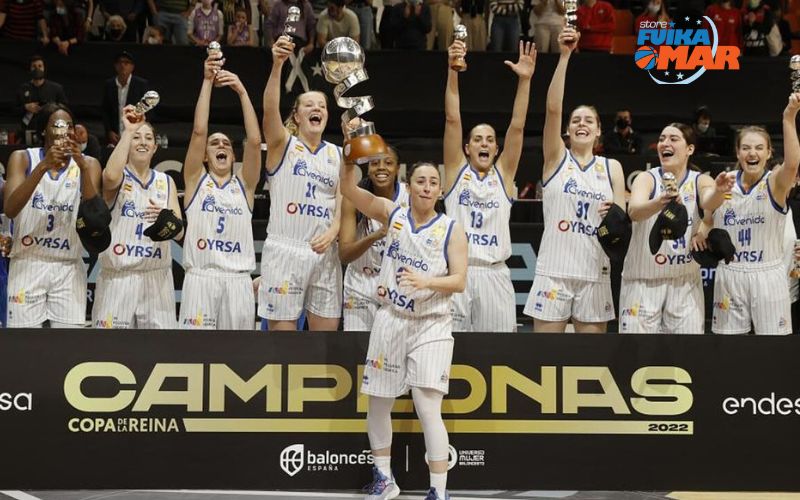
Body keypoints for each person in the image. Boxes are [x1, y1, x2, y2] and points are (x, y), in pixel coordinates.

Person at [340, 159, 467, 500]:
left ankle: (438, 492)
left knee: (428, 408)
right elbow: (349, 190)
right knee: (378, 403)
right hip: (391, 319)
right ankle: (384, 478)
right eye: (420, 181)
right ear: (409, 187)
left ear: (440, 191)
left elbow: (459, 280)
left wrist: (427, 281)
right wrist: (349, 160)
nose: (427, 187)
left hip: (432, 324)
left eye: (433, 182)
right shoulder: (392, 214)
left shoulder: (452, 228)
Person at [521, 28, 625, 333]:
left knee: (590, 363)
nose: (581, 124)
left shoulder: (612, 168)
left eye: (588, 120)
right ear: (567, 130)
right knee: (546, 360)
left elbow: (619, 226)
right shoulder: (556, 157)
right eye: (575, 120)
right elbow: (553, 109)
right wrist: (565, 55)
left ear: (598, 131)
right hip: (554, 270)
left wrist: (616, 216)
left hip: (594, 271)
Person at [443, 40, 535, 332]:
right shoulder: (456, 172)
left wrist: (525, 81)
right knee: (450, 353)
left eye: (490, 139)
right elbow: (452, 118)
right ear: (467, 147)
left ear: (497, 149)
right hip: (458, 273)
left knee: (498, 353)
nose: (484, 143)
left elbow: (517, 126)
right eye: (477, 139)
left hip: (495, 274)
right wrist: (453, 69)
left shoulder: (504, 175)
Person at [259, 34, 342, 331]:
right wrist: (278, 65)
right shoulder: (284, 145)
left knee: (325, 341)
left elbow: (345, 199)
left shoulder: (338, 154)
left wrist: (335, 229)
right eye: (308, 105)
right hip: (286, 249)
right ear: (296, 114)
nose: (316, 108)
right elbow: (269, 111)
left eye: (321, 105)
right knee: (284, 344)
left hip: (324, 254)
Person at [620, 123, 735, 334]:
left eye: (673, 139)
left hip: (685, 283)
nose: (665, 143)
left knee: (686, 356)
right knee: (636, 356)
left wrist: (718, 191)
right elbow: (634, 211)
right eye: (662, 138)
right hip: (643, 281)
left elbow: (709, 203)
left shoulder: (701, 180)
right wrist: (661, 202)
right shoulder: (646, 178)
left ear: (689, 149)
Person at [3, 104, 102, 327]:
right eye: (57, 125)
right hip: (28, 262)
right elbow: (10, 209)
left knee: (69, 348)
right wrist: (43, 166)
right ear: (44, 131)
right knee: (25, 345)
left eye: (69, 126)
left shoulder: (89, 164)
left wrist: (83, 168)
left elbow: (95, 214)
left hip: (68, 265)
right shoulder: (23, 158)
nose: (64, 131)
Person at [179, 56, 260, 330]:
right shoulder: (195, 180)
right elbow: (199, 131)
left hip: (238, 281)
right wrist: (207, 81)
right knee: (194, 355)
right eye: (215, 144)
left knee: (238, 358)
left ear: (232, 154)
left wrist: (242, 92)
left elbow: (255, 142)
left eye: (226, 143)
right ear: (205, 155)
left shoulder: (245, 185)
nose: (221, 145)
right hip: (201, 277)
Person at [709, 94, 800, 334]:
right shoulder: (723, 182)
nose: (752, 153)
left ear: (769, 153)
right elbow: (707, 212)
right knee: (728, 350)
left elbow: (791, 165)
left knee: (774, 350)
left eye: (759, 148)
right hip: (731, 274)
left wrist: (788, 118)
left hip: (768, 274)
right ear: (737, 153)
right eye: (746, 147)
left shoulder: (775, 184)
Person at [92, 106, 183, 329]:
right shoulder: (119, 177)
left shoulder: (166, 181)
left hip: (156, 278)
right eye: (136, 138)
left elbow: (180, 232)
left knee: (159, 354)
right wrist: (128, 130)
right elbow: (109, 176)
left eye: (148, 138)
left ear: (154, 147)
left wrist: (165, 220)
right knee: (111, 353)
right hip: (118, 277)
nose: (142, 142)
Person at [339, 146, 408, 331]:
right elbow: (344, 255)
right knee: (357, 350)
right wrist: (375, 236)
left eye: (388, 162)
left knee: (390, 354)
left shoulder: (409, 196)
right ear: (367, 168)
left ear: (398, 168)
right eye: (375, 163)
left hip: (396, 285)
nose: (381, 168)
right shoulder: (354, 198)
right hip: (361, 283)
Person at [102, 51, 149, 146]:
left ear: (132, 67)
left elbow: (147, 110)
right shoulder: (109, 85)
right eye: (120, 62)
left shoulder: (141, 85)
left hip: (135, 134)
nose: (123, 65)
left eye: (126, 62)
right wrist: (109, 131)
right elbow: (105, 110)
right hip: (114, 135)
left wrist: (138, 131)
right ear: (115, 66)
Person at [16, 55, 68, 141]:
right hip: (28, 129)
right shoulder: (22, 89)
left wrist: (50, 108)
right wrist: (26, 107)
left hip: (51, 129)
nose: (37, 69)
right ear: (30, 69)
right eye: (34, 66)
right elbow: (14, 110)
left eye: (40, 66)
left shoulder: (56, 88)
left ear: (44, 68)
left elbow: (65, 108)